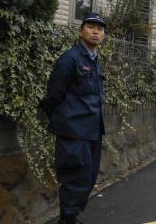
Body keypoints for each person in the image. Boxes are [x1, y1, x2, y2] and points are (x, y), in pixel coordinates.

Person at [39, 13, 107, 224]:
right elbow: (54, 94)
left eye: (100, 29)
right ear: (81, 31)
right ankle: (67, 219)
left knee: (88, 178)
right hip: (73, 131)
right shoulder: (70, 59)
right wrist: (65, 121)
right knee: (74, 177)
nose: (96, 31)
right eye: (91, 27)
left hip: (92, 130)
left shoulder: (95, 61)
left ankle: (70, 217)